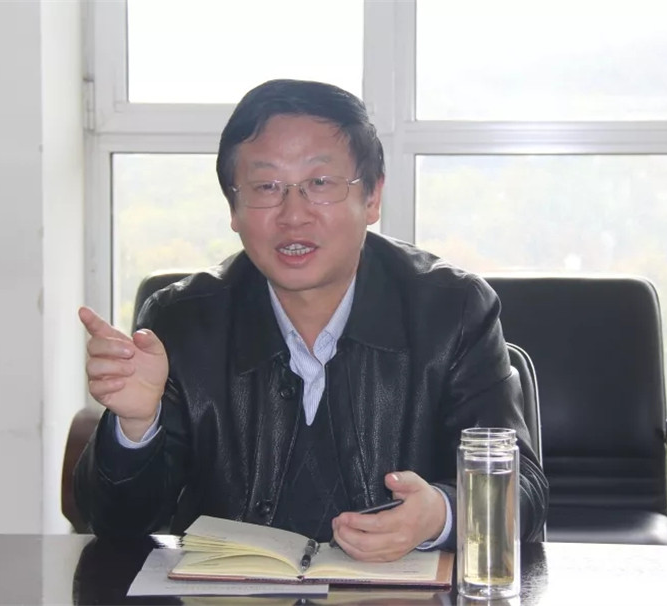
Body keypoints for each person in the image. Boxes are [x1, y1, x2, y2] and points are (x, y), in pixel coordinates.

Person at [75, 79, 548, 562]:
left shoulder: (452, 312)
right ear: (234, 209)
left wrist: (440, 514)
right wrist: (136, 427)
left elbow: (523, 492)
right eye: (266, 187)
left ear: (372, 198)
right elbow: (116, 526)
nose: (293, 215)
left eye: (320, 184)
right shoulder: (181, 322)